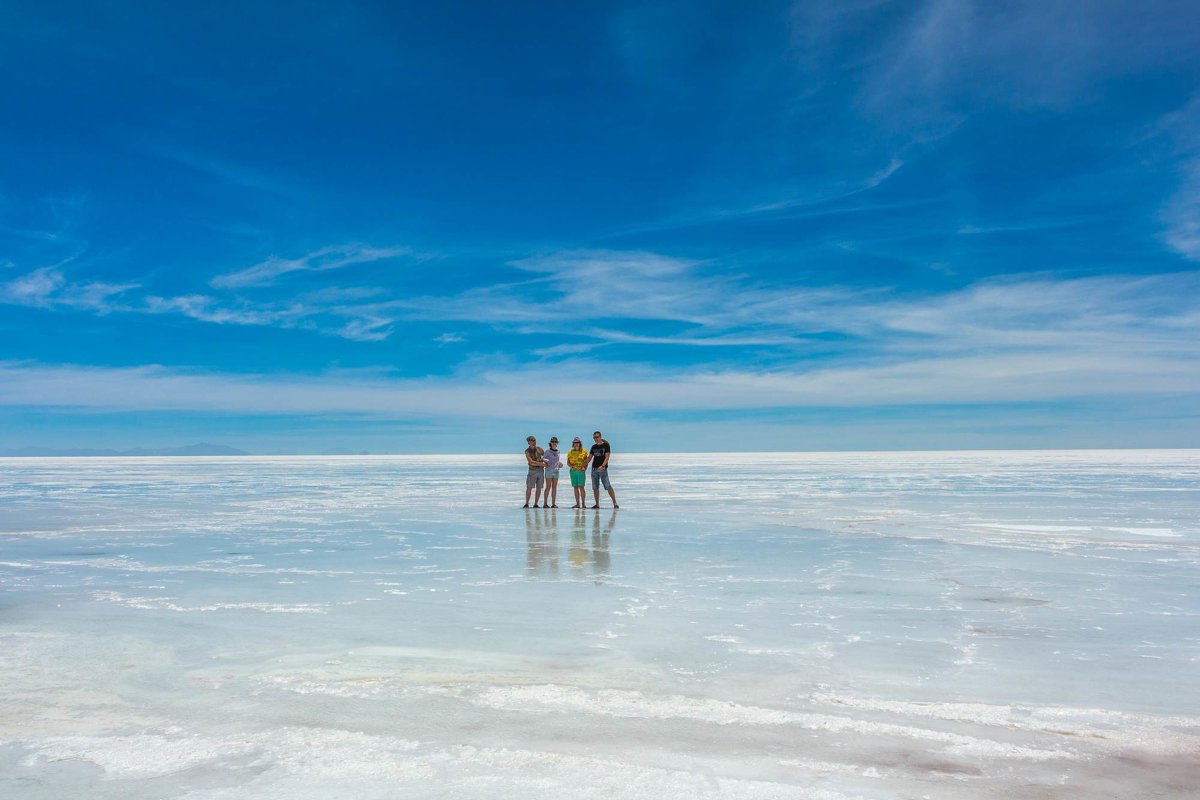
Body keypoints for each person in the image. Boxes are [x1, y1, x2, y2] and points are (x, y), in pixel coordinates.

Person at [589, 430, 618, 509]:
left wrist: (602, 465)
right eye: (594, 437)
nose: (595, 439)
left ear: (600, 437)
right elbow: (589, 457)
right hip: (594, 469)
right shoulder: (594, 447)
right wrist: (583, 466)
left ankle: (615, 503)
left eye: (597, 437)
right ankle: (597, 504)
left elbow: (607, 457)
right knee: (595, 487)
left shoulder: (606, 445)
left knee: (607, 486)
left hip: (603, 469)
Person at [523, 435, 546, 508]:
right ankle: (527, 503)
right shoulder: (527, 451)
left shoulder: (540, 449)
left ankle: (536, 504)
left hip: (540, 471)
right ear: (528, 442)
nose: (533, 442)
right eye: (532, 440)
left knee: (539, 488)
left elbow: (546, 457)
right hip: (532, 471)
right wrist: (541, 463)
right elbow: (530, 461)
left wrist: (545, 462)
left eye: (534, 440)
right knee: (529, 487)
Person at [566, 436, 589, 508]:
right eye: (575, 442)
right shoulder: (570, 452)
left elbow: (586, 462)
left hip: (581, 471)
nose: (576, 444)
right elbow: (568, 463)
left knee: (581, 487)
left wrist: (584, 468)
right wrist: (572, 467)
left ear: (580, 443)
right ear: (573, 444)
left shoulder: (584, 451)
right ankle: (578, 504)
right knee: (575, 487)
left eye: (577, 442)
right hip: (573, 471)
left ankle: (583, 504)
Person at [543, 436, 563, 508]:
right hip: (549, 471)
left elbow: (556, 460)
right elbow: (543, 458)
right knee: (548, 487)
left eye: (555, 442)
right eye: (553, 442)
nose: (554, 443)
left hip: (556, 471)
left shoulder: (558, 451)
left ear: (557, 443)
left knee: (554, 487)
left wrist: (559, 463)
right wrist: (546, 461)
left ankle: (553, 504)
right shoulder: (547, 451)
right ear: (550, 443)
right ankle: (545, 503)